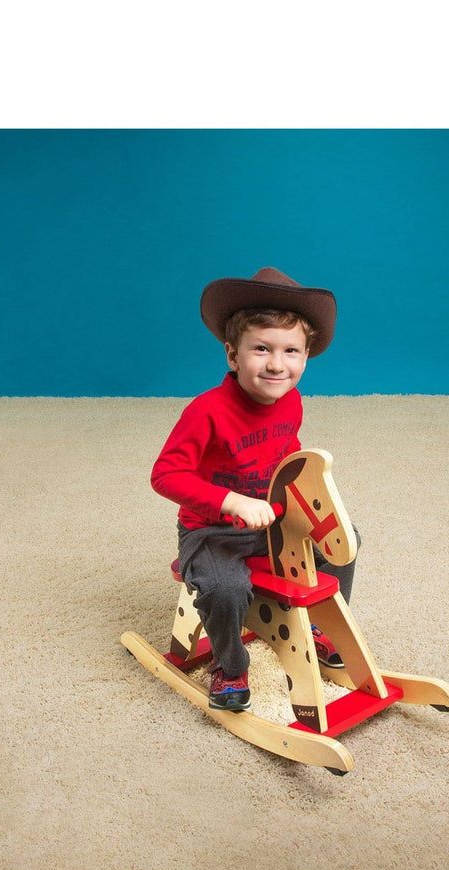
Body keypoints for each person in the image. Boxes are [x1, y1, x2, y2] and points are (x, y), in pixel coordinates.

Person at [151, 267, 359, 712]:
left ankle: (322, 629)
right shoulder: (206, 411)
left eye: (291, 351)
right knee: (223, 588)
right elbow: (165, 475)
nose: (277, 364)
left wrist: (303, 498)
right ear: (233, 354)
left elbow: (287, 453)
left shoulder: (291, 400)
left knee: (345, 540)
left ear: (306, 356)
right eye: (261, 348)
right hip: (212, 531)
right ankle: (229, 666)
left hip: (273, 521)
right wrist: (230, 501)